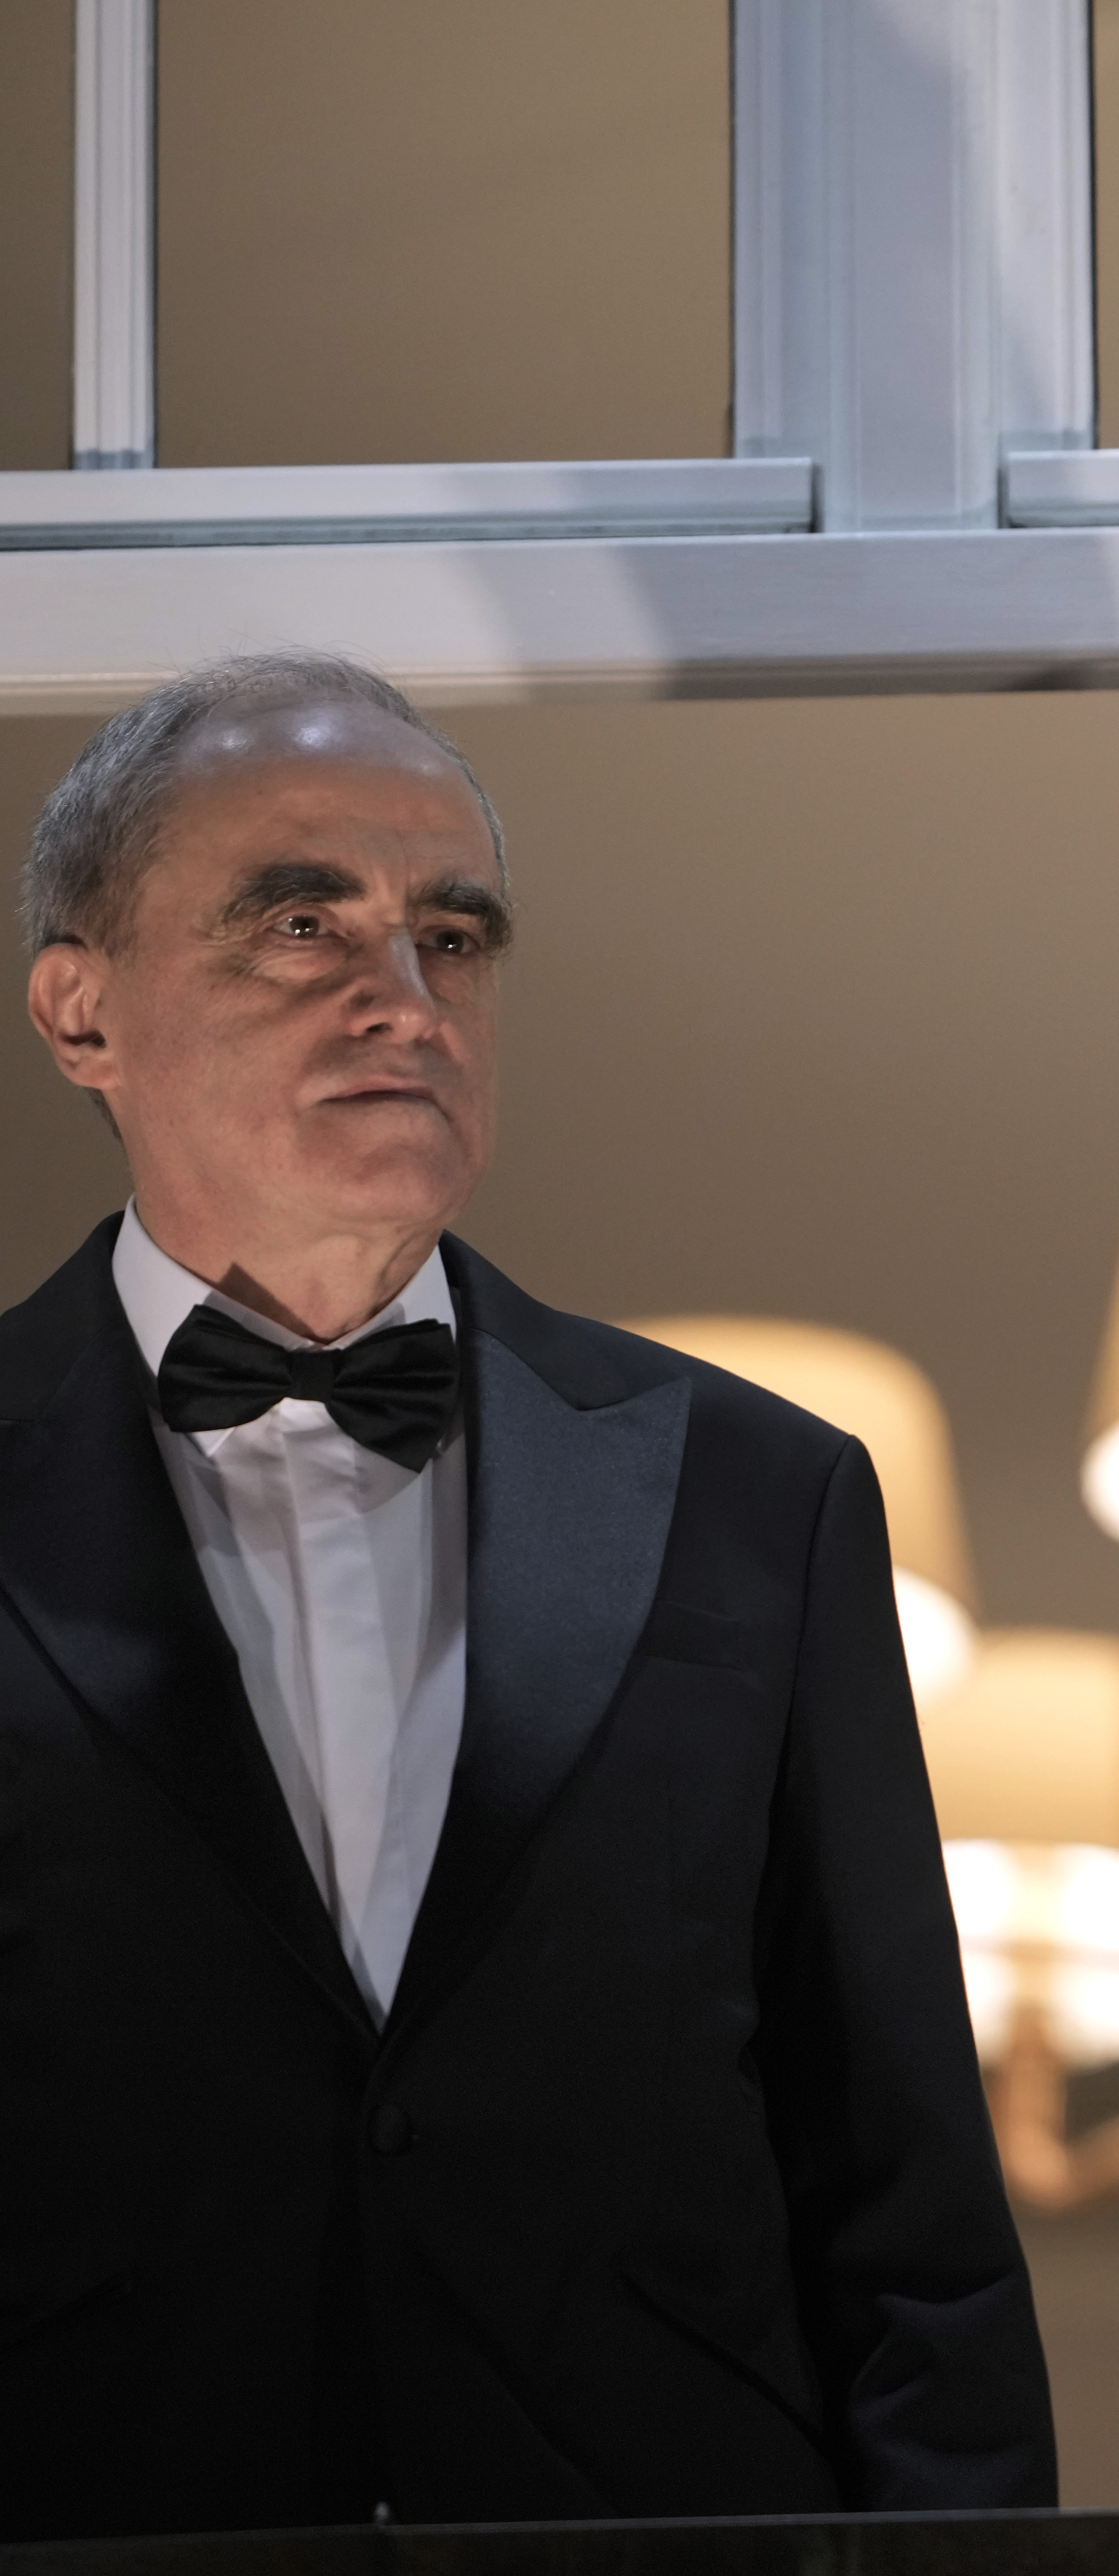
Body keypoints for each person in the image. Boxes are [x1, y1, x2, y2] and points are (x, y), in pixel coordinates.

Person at [5, 655, 1054, 2535]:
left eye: (453, 936)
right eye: (298, 920)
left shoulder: (761, 1494)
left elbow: (906, 2211)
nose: (400, 998)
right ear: (81, 1012)